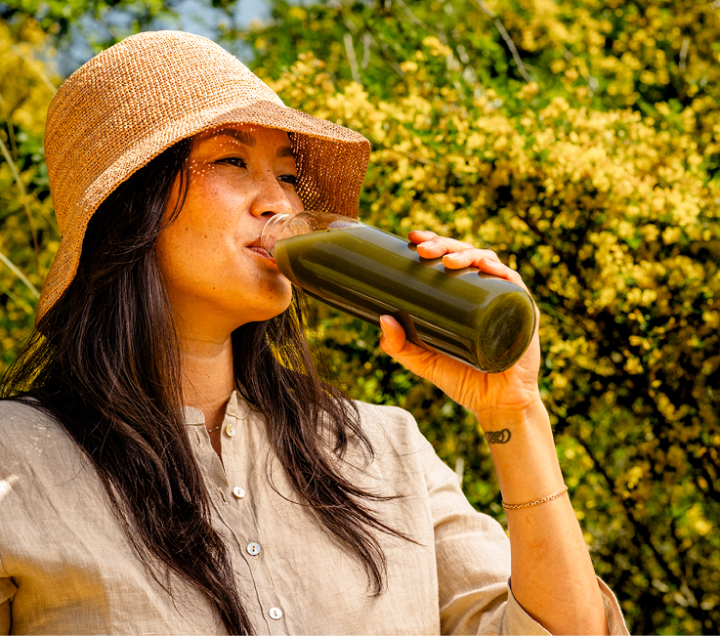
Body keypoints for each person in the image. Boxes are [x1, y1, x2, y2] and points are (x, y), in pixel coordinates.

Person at [0, 31, 629, 636]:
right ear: (130, 205)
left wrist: (516, 411)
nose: (279, 202)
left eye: (289, 174)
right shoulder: (17, 460)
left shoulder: (385, 453)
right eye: (232, 159)